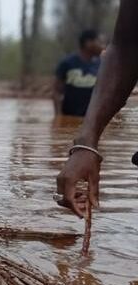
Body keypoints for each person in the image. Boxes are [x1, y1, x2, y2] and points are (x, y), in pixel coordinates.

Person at [56, 1, 138, 217]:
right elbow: (126, 47)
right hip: (72, 113)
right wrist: (86, 144)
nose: (100, 43)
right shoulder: (68, 63)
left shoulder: (94, 65)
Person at [53, 30, 106, 117]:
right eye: (99, 42)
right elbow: (56, 91)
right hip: (69, 117)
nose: (103, 46)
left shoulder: (101, 65)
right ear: (88, 43)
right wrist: (58, 116)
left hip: (91, 118)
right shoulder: (67, 63)